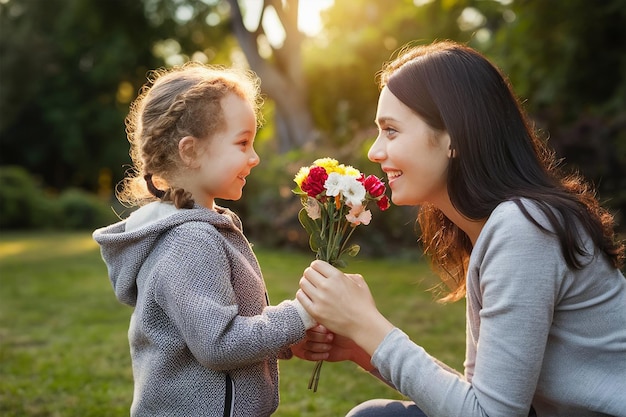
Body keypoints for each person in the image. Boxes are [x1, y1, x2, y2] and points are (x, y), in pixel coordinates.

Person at [297, 40, 626, 417]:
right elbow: (480, 399)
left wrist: (368, 325)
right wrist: (365, 349)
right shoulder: (498, 226)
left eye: (391, 130)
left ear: (453, 136)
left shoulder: (524, 229)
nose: (374, 151)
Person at [93, 62, 318, 417]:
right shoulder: (189, 240)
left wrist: (287, 339)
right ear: (190, 151)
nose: (255, 157)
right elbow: (219, 344)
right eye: (242, 143)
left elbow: (227, 322)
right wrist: (300, 314)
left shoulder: (200, 227)